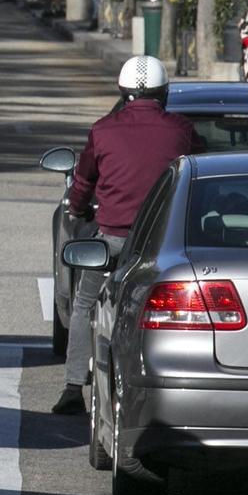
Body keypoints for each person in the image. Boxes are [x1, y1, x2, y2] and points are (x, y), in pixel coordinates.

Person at [55, 55, 203, 415]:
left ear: (123, 92)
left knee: (85, 305)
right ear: (164, 93)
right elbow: (200, 172)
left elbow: (83, 182)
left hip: (114, 240)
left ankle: (73, 386)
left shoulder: (103, 129)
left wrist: (77, 211)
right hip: (162, 245)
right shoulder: (180, 130)